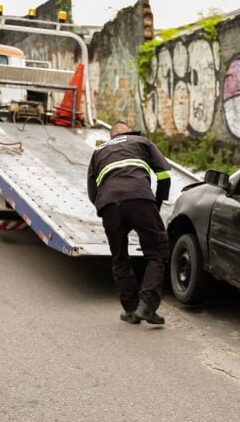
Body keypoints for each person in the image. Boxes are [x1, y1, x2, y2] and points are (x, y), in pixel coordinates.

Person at [87, 121, 172, 325]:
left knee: (119, 257)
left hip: (108, 205)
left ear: (112, 137)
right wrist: (157, 203)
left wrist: (105, 207)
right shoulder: (140, 141)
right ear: (129, 132)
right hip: (139, 199)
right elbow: (164, 173)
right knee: (156, 252)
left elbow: (92, 190)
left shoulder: (98, 151)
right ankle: (147, 305)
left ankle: (131, 309)